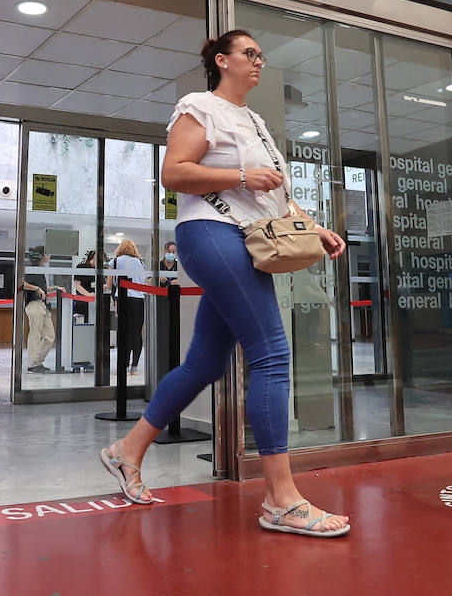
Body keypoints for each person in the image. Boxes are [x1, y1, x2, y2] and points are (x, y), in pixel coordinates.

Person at [98, 29, 352, 538]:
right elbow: (174, 173)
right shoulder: (200, 105)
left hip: (247, 236)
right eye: (248, 54)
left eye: (261, 55)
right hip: (211, 234)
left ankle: (127, 450)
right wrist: (241, 175)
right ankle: (281, 499)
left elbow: (272, 195)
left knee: (206, 362)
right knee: (272, 351)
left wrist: (313, 225)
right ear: (222, 61)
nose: (258, 61)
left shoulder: (255, 121)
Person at [111, 239, 148, 375]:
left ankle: (124, 366)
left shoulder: (115, 261)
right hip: (139, 300)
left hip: (123, 298)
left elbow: (111, 283)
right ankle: (135, 367)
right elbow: (142, 281)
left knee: (124, 333)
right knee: (136, 333)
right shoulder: (140, 263)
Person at [21, 247, 60, 373]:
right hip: (34, 304)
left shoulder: (39, 270)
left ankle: (38, 361)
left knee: (50, 337)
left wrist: (54, 287)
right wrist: (37, 289)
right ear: (42, 257)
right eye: (48, 254)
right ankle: (33, 364)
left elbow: (42, 287)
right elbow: (22, 283)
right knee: (35, 335)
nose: (50, 256)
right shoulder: (31, 269)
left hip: (44, 306)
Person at [72, 249, 97, 322]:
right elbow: (77, 285)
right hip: (82, 302)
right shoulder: (81, 267)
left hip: (94, 302)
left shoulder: (97, 270)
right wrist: (88, 294)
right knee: (82, 324)